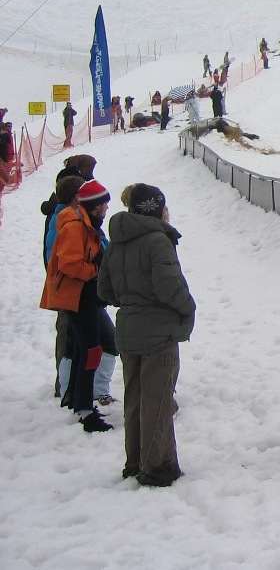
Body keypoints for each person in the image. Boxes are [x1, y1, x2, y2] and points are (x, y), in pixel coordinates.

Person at [96, 184, 194, 487]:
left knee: (135, 397)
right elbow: (169, 286)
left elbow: (105, 290)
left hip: (129, 329)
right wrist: (187, 307)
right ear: (155, 208)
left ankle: (135, 460)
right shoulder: (157, 241)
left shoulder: (118, 241)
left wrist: (131, 300)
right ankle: (158, 465)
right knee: (158, 399)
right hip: (157, 331)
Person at [40, 179, 115, 432]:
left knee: (88, 350)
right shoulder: (75, 227)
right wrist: (95, 271)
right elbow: (69, 264)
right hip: (77, 298)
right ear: (94, 206)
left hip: (85, 297)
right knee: (90, 350)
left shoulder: (86, 224)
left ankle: (80, 402)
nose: (106, 209)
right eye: (104, 205)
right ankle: (84, 409)